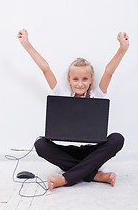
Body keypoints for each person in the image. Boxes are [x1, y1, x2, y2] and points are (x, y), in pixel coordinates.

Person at [17, 29, 129, 191]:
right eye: (75, 79)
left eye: (85, 79)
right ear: (69, 80)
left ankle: (66, 179)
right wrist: (27, 45)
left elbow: (109, 72)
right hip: (67, 152)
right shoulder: (62, 94)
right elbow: (45, 69)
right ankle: (95, 175)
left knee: (117, 138)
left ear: (90, 80)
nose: (80, 83)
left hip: (92, 152)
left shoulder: (97, 95)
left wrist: (122, 49)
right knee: (40, 144)